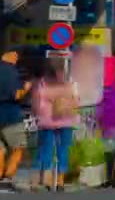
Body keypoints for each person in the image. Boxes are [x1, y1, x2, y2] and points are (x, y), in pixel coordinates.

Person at [0, 48, 32, 193]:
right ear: (11, 57)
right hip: (10, 115)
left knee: (0, 148)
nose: (17, 60)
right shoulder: (12, 73)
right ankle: (7, 180)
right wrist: (26, 88)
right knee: (19, 147)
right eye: (16, 57)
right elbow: (16, 95)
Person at [32, 64, 79, 192]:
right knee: (63, 151)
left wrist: (37, 114)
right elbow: (76, 102)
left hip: (46, 121)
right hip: (66, 120)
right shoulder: (71, 84)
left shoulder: (42, 84)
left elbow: (36, 104)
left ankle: (43, 181)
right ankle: (60, 182)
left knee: (45, 150)